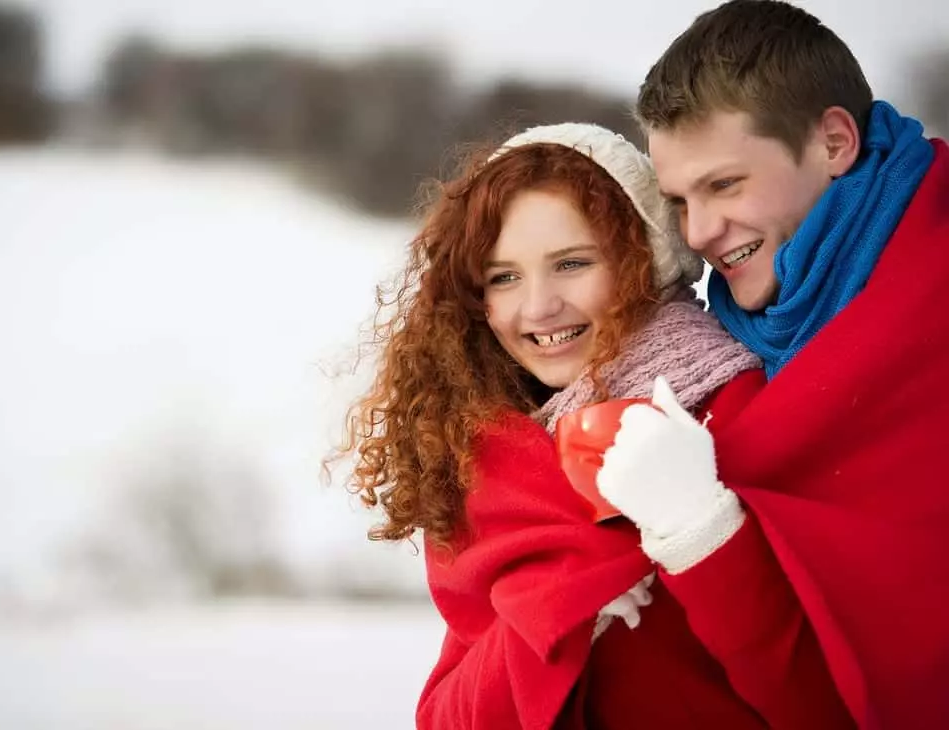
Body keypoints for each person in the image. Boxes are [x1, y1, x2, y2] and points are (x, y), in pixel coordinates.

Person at [333, 122, 854, 728]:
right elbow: (447, 717)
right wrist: (557, 608)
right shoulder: (490, 459)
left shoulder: (743, 412)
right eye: (503, 277)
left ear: (646, 262)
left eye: (572, 263)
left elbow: (833, 696)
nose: (538, 306)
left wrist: (704, 534)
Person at [596, 1, 949, 727]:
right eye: (679, 200)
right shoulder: (712, 358)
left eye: (725, 185)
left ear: (833, 142)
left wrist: (700, 531)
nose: (699, 233)